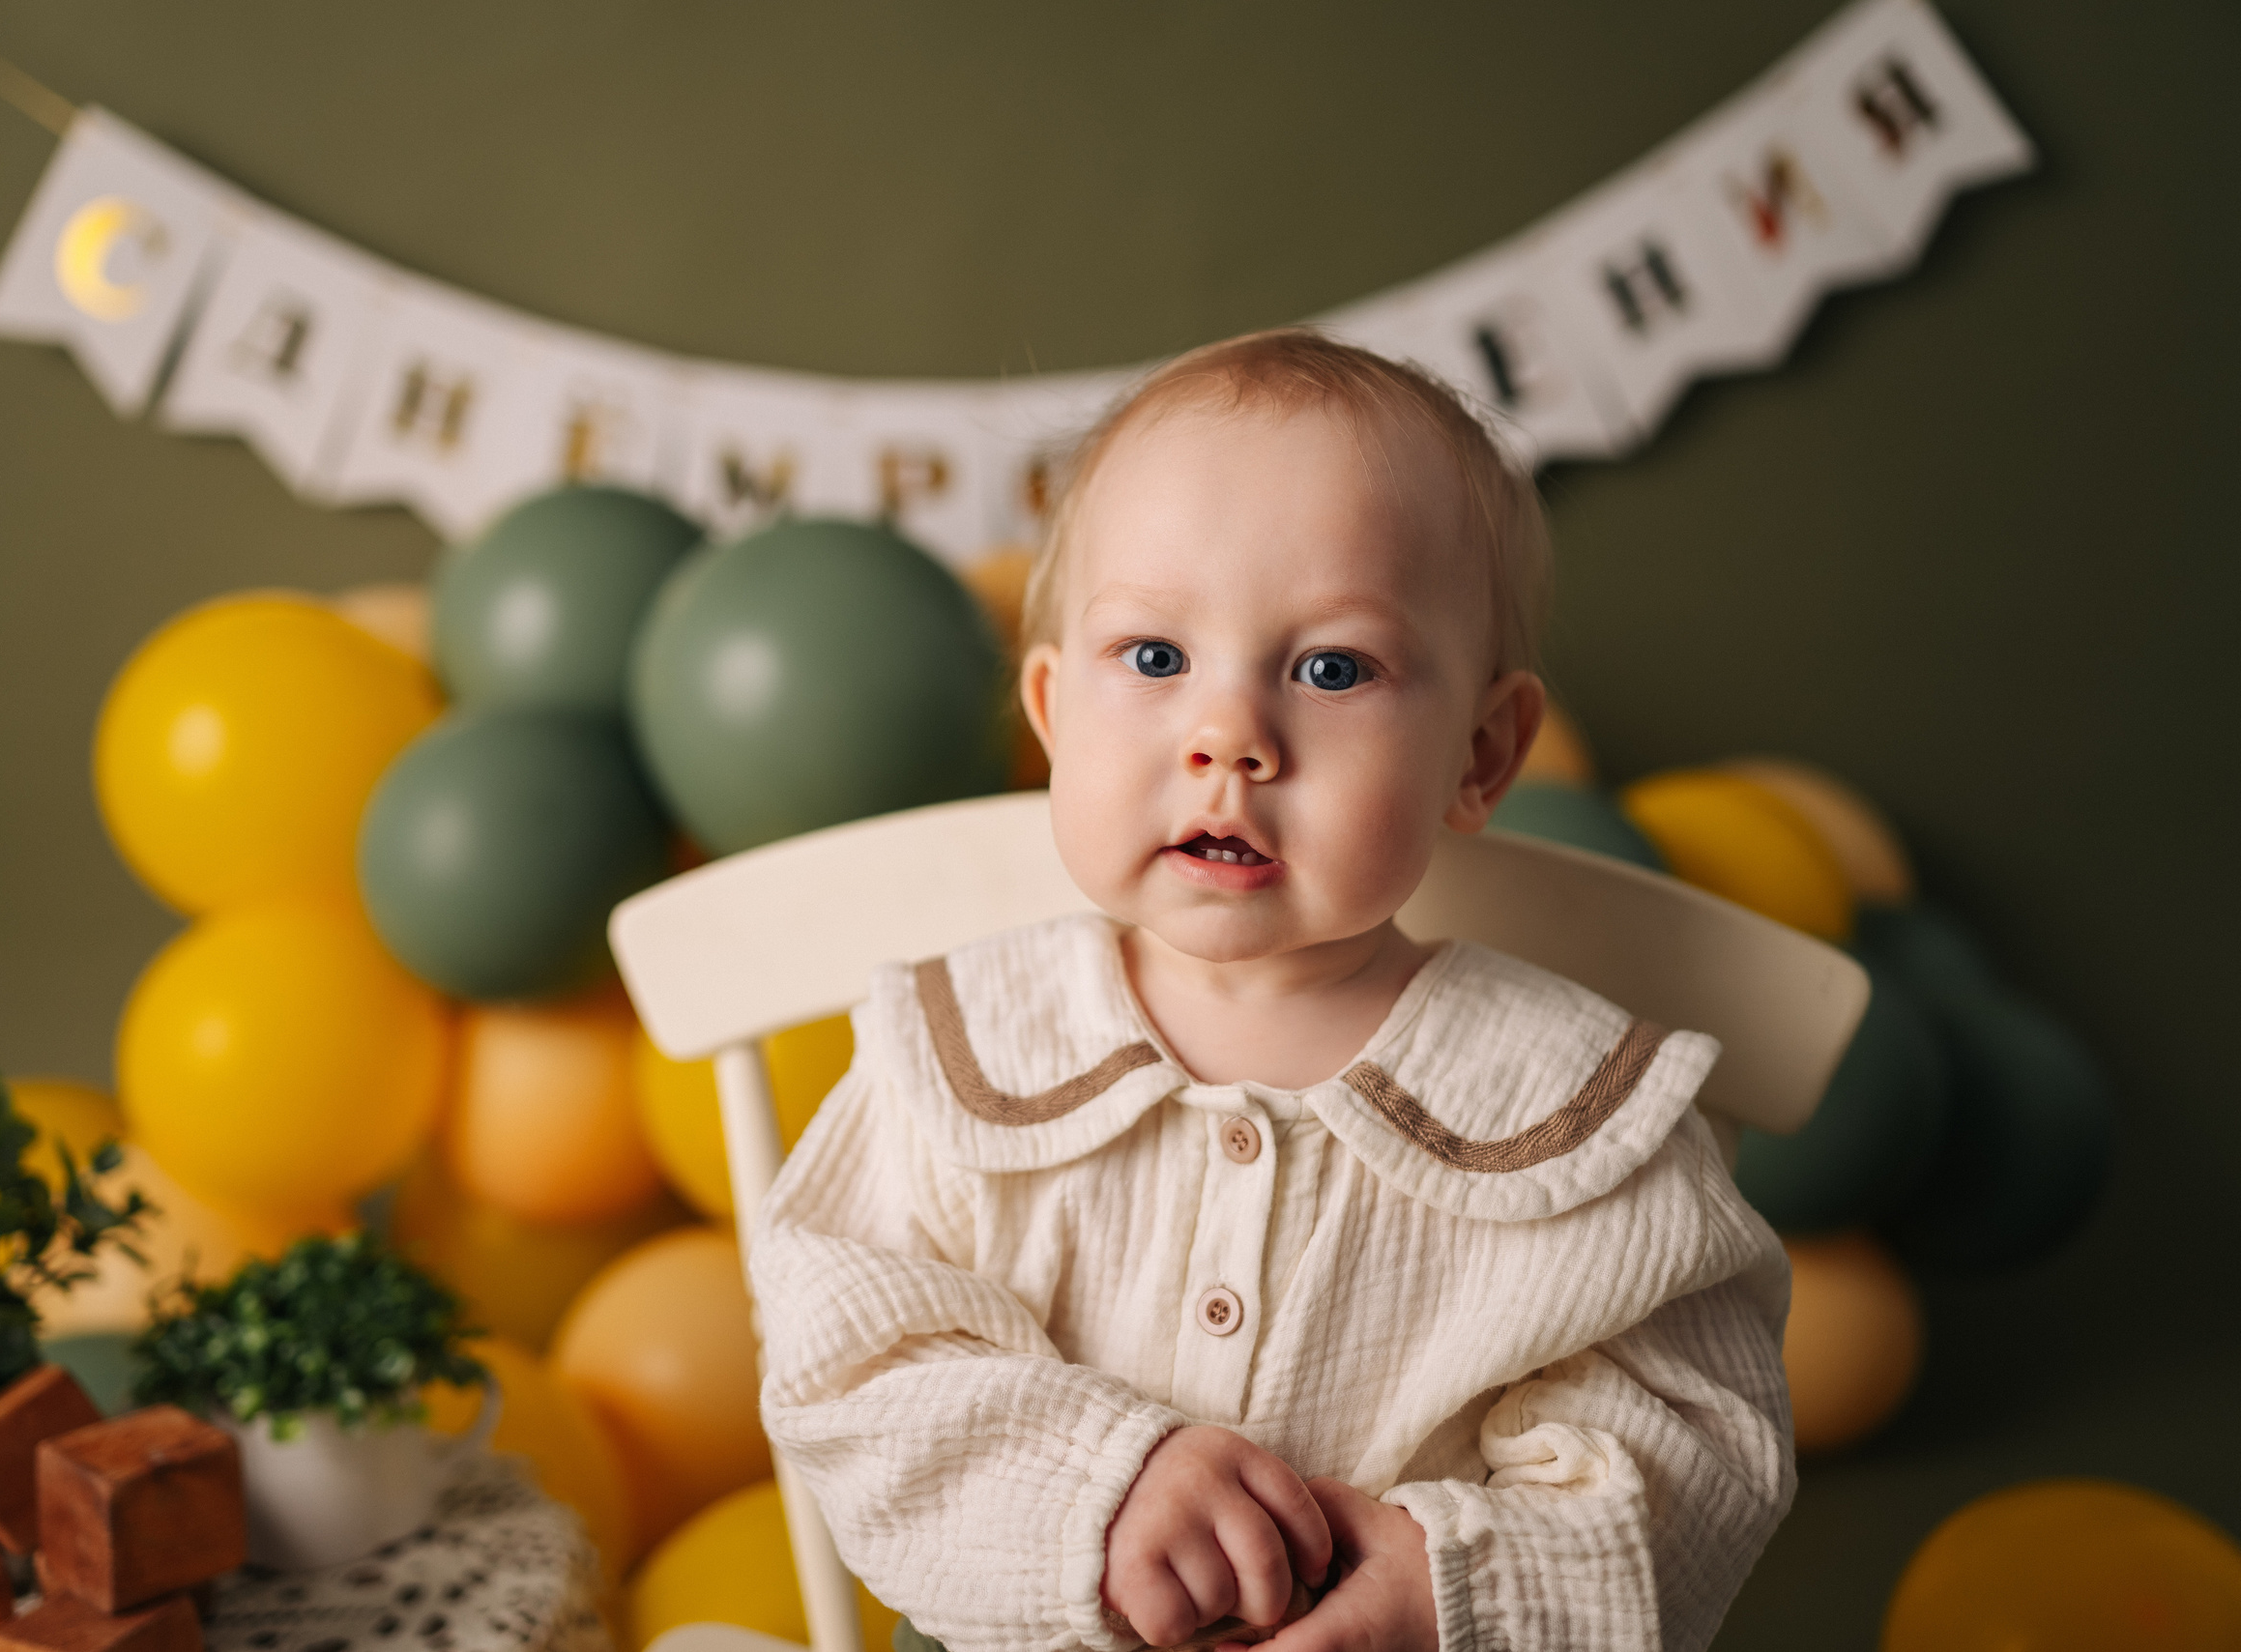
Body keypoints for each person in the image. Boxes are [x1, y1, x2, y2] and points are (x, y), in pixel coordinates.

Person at [750, 329, 1793, 1652]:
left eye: (1331, 668)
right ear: (1055, 714)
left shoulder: (1576, 1110)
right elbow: (853, 1365)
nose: (1228, 734)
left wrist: (1441, 1585)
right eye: (1153, 656)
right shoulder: (962, 1050)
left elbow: (1696, 1453)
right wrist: (1097, 1482)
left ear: (1480, 753)